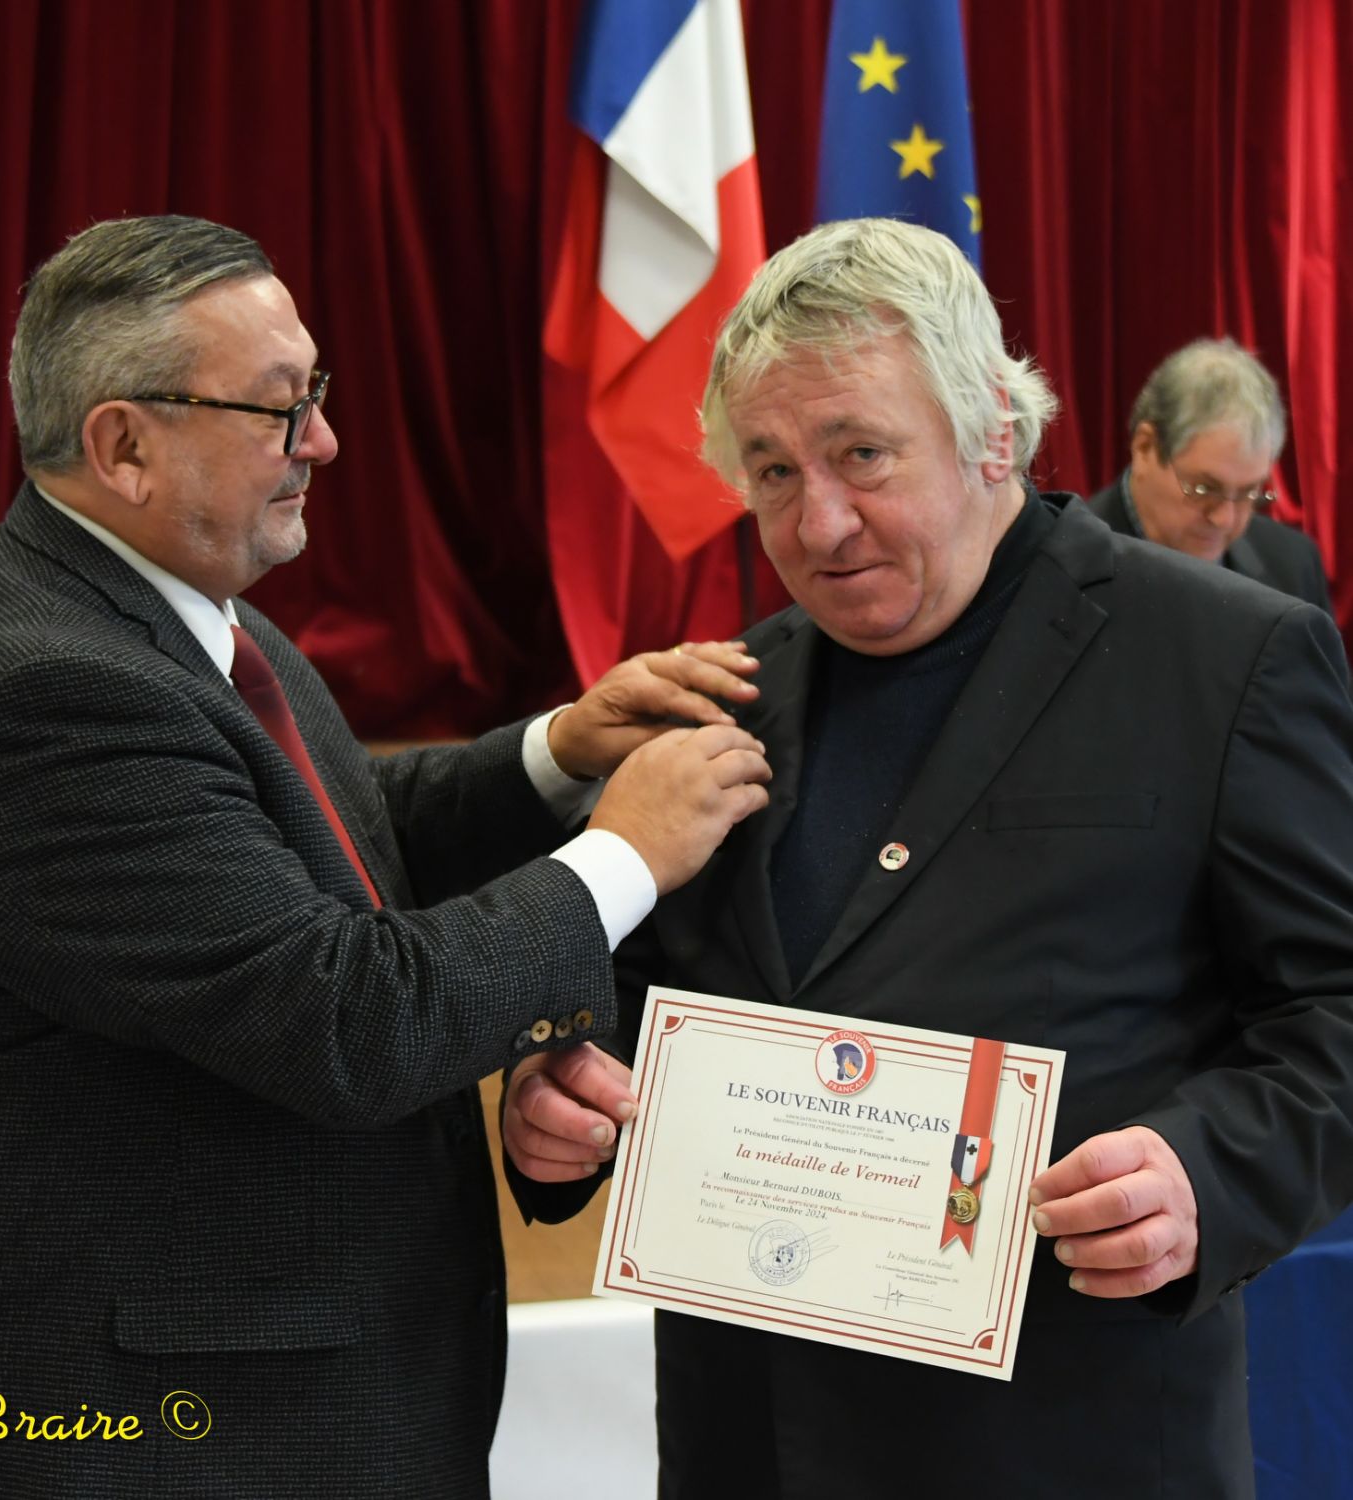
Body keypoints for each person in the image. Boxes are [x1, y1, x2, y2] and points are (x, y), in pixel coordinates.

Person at [0, 215, 773, 1500]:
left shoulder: (160, 609)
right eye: (280, 407)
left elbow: (320, 838)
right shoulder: (49, 695)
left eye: (316, 391)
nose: (324, 442)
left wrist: (557, 755)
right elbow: (350, 1020)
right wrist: (625, 854)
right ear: (123, 446)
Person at [504, 218, 1353, 1497]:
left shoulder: (1229, 658)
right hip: (753, 1440)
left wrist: (1207, 1174)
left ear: (992, 432)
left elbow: (1334, 1007)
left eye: (863, 454)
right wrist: (569, 1090)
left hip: (1063, 1442)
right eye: (773, 470)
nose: (820, 522)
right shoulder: (724, 696)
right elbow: (634, 995)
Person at [1089, 336, 1332, 609]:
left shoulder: (1294, 565)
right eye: (1204, 489)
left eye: (1248, 492)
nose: (1224, 519)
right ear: (1145, 447)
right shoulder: (1070, 564)